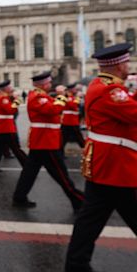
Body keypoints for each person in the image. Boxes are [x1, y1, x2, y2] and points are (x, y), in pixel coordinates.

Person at [65, 43, 137, 272]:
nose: (129, 65)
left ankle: (76, 265)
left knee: (88, 222)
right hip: (117, 167)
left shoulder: (108, 86)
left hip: (107, 166)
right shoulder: (109, 90)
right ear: (118, 65)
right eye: (127, 62)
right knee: (89, 221)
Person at [12, 71, 84, 211]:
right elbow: (54, 109)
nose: (51, 85)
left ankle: (19, 197)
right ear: (44, 84)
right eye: (49, 83)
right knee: (61, 173)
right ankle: (77, 199)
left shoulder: (41, 96)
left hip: (43, 140)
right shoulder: (38, 96)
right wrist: (62, 96)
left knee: (30, 172)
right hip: (45, 141)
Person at [0, 80, 27, 172]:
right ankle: (27, 165)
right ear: (6, 89)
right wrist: (17, 101)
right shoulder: (3, 99)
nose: (11, 89)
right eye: (9, 87)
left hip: (5, 125)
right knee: (16, 148)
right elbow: (10, 110)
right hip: (6, 127)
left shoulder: (5, 98)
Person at [60, 83, 85, 157]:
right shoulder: (69, 97)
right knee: (78, 138)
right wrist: (78, 98)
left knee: (64, 139)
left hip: (72, 121)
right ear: (71, 90)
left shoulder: (72, 96)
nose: (76, 90)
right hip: (70, 121)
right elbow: (73, 105)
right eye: (74, 89)